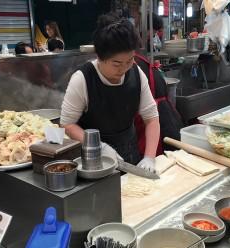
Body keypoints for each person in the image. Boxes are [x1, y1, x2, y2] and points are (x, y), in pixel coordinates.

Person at [60, 13, 160, 172]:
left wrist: (149, 157)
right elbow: (67, 124)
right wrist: (99, 147)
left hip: (130, 153)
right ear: (100, 57)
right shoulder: (82, 79)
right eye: (117, 64)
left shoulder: (136, 73)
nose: (124, 68)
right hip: (93, 161)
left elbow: (151, 118)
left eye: (130, 60)